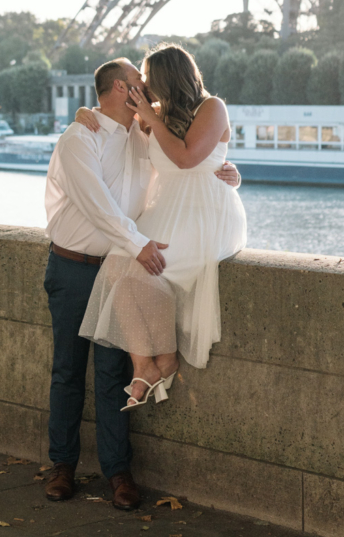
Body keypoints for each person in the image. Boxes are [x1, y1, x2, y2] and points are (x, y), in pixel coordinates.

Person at [43, 56, 240, 510]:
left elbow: (189, 166)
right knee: (68, 371)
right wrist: (137, 245)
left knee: (114, 374)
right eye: (137, 82)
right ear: (118, 89)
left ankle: (118, 473)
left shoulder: (143, 131)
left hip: (124, 260)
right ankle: (62, 467)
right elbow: (99, 208)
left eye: (148, 82)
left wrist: (231, 172)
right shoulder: (80, 137)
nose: (146, 89)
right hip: (77, 266)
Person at [78, 43, 247, 408]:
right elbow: (110, 111)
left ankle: (157, 364)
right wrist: (84, 111)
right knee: (115, 267)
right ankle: (152, 361)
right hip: (167, 208)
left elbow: (187, 158)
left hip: (205, 212)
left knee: (142, 272)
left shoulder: (212, 107)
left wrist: (152, 120)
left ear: (168, 77)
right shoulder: (153, 113)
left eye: (149, 78)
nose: (144, 86)